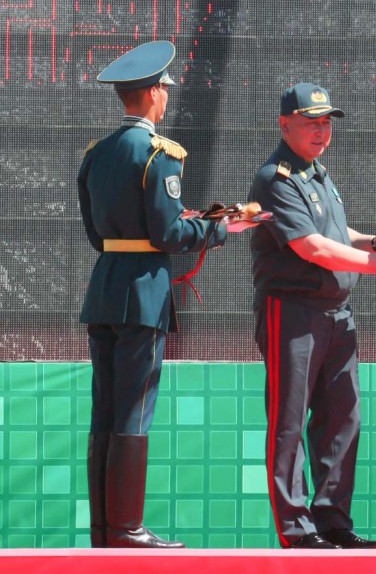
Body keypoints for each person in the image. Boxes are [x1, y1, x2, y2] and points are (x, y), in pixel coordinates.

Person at [78, 41, 240, 549]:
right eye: (165, 88)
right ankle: (128, 528)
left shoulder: (97, 154)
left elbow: (97, 234)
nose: (167, 95)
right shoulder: (159, 153)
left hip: (105, 287)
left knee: (105, 410)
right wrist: (218, 229)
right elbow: (168, 234)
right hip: (144, 292)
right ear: (152, 93)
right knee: (134, 408)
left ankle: (105, 530)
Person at [248, 82, 376, 549]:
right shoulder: (275, 178)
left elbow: (334, 234)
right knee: (289, 422)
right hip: (292, 312)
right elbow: (312, 247)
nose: (321, 131)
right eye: (310, 123)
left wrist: (375, 241)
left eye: (326, 123)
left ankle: (333, 522)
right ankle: (297, 530)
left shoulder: (316, 173)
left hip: (337, 314)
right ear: (285, 125)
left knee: (343, 419)